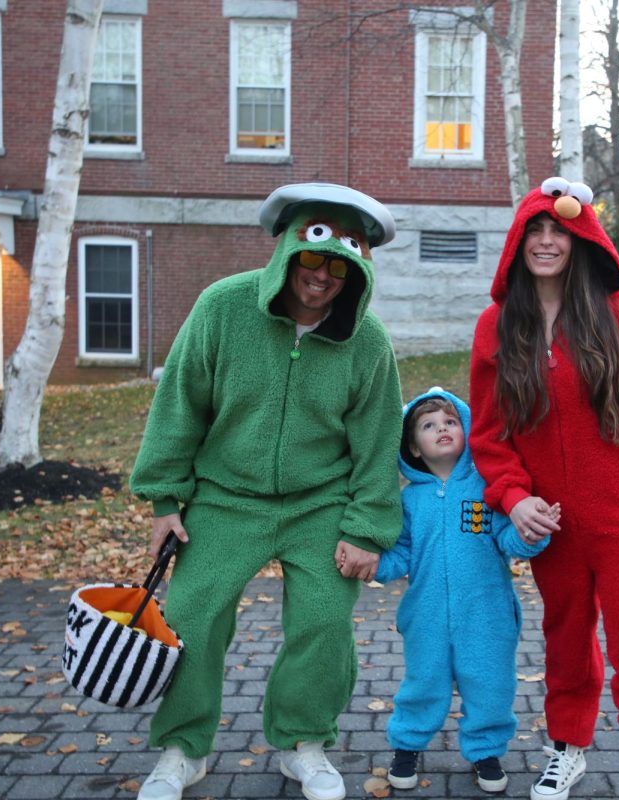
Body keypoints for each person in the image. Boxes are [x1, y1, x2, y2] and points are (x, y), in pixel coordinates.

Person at [128, 183, 405, 800]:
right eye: (312, 257)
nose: (323, 276)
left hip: (321, 501)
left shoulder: (368, 341)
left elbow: (379, 439)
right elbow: (180, 406)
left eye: (342, 264)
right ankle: (183, 749)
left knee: (324, 620)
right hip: (226, 498)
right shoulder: (222, 308)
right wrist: (165, 501)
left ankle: (302, 744)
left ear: (358, 268)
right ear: (286, 249)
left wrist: (366, 529)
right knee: (191, 615)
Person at [468, 177, 619, 800]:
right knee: (566, 643)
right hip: (553, 522)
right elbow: (491, 435)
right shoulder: (497, 327)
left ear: (579, 240)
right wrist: (515, 498)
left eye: (559, 231)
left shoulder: (615, 311)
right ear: (517, 243)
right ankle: (567, 749)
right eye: (535, 231)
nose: (547, 241)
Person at [376, 388, 556, 794]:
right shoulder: (409, 501)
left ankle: (485, 751)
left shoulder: (486, 489)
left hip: (487, 615)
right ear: (414, 449)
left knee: (490, 684)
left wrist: (533, 533)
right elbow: (401, 554)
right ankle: (407, 746)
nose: (441, 428)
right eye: (428, 425)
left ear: (467, 430)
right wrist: (374, 566)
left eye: (450, 421)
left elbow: (509, 540)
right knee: (423, 683)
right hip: (426, 617)